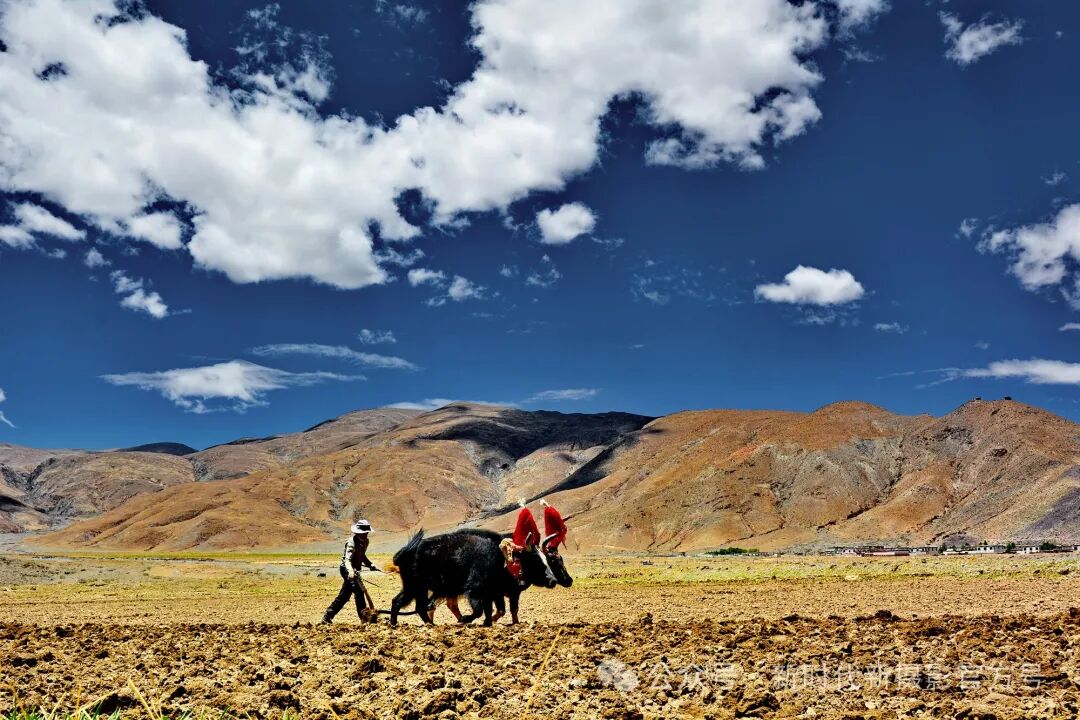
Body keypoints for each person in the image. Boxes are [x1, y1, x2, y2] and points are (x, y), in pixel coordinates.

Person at [321, 519, 379, 624]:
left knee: (345, 595)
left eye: (366, 533)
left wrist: (370, 564)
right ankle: (365, 618)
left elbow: (362, 556)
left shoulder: (366, 542)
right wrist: (351, 571)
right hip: (346, 570)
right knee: (358, 592)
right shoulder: (351, 542)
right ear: (357, 532)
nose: (365, 535)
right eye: (363, 533)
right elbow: (347, 560)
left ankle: (327, 617)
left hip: (355, 571)